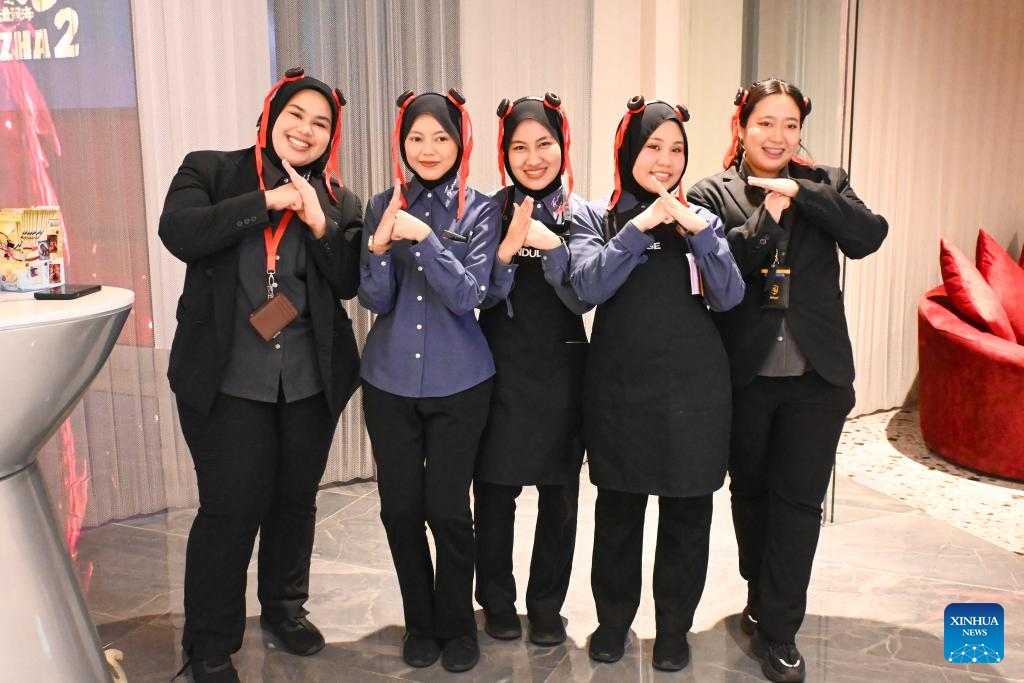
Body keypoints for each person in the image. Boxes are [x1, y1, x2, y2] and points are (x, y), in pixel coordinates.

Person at [159, 68, 363, 682]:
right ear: (271, 115)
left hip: (307, 380)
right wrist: (267, 203)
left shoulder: (339, 199)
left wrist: (319, 223)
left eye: (321, 123)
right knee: (230, 506)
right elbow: (180, 232)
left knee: (294, 501)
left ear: (331, 137)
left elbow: (348, 280)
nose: (306, 130)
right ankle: (209, 644)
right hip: (226, 379)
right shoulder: (211, 170)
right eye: (295, 115)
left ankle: (285, 609)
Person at [687, 78, 888, 683]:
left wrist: (801, 190)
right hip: (745, 376)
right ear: (742, 127)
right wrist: (769, 215)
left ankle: (780, 629)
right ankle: (761, 591)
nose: (778, 136)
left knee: (799, 503)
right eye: (766, 123)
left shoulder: (827, 182)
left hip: (816, 379)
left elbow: (868, 236)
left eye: (790, 125)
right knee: (750, 494)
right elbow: (719, 271)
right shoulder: (712, 192)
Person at [570, 96, 744, 671]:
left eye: (676, 150)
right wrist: (640, 227)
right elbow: (587, 288)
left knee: (688, 516)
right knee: (618, 513)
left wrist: (700, 234)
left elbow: (730, 296)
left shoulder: (704, 221)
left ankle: (674, 629)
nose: (665, 161)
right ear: (628, 152)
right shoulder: (597, 218)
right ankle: (612, 622)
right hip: (620, 389)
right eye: (652, 147)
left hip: (696, 390)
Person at [358, 89, 499, 673]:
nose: (429, 149)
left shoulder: (482, 210)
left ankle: (457, 624)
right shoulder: (380, 204)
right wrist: (380, 246)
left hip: (460, 382)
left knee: (448, 510)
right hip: (387, 381)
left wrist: (426, 238)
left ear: (460, 143)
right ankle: (420, 622)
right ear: (403, 143)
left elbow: (471, 295)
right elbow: (374, 299)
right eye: (416, 138)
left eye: (441, 137)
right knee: (399, 509)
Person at [474, 94, 600, 647]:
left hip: (563, 372)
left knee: (560, 499)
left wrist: (554, 250)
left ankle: (547, 606)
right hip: (498, 369)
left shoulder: (583, 214)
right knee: (493, 495)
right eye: (519, 147)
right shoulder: (486, 211)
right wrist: (506, 250)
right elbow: (478, 295)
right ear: (504, 153)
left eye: (544, 144)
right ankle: (496, 601)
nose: (533, 158)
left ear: (562, 146)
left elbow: (584, 298)